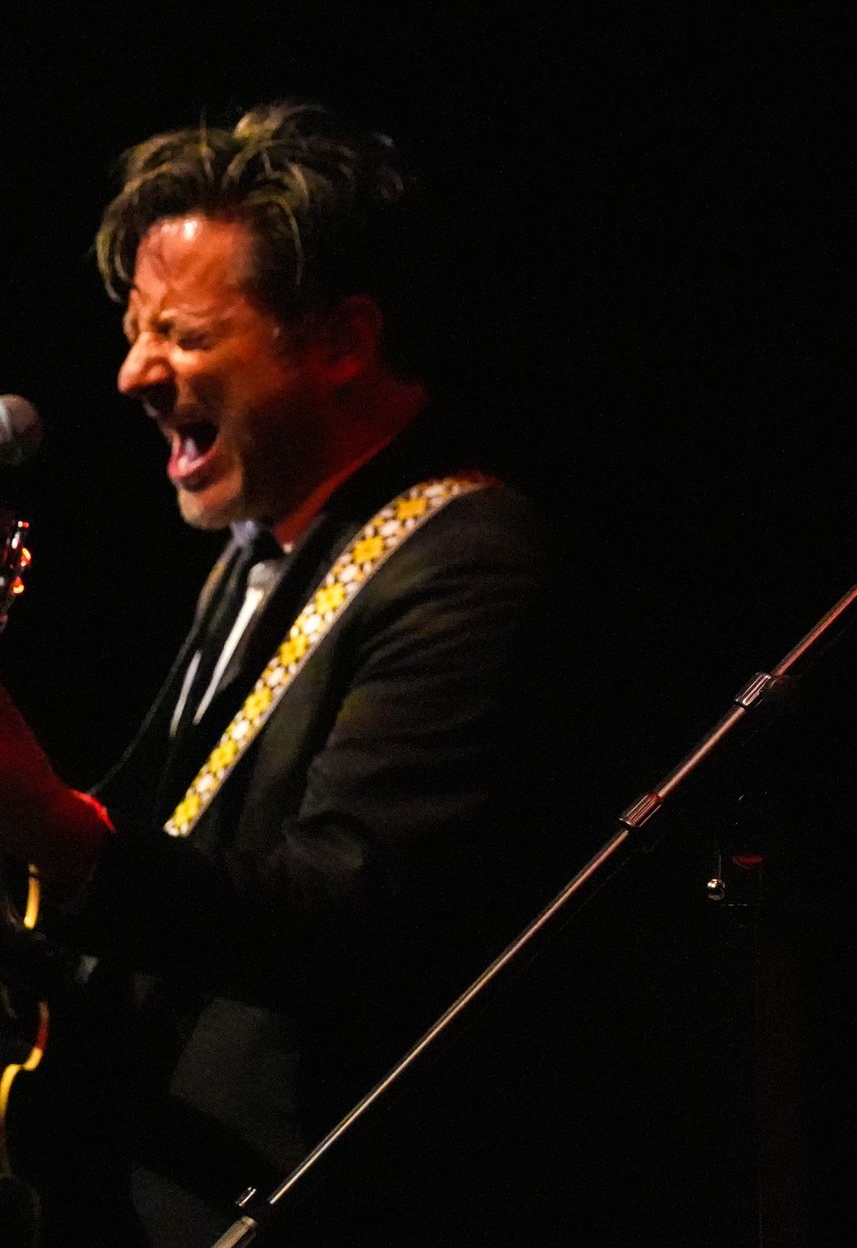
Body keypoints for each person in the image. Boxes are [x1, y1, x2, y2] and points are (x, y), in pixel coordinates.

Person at [0, 103, 559, 1246]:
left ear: (341, 343)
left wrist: (59, 832)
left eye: (185, 336)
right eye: (134, 328)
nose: (131, 374)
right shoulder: (258, 552)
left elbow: (348, 915)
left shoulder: (463, 558)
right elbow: (175, 848)